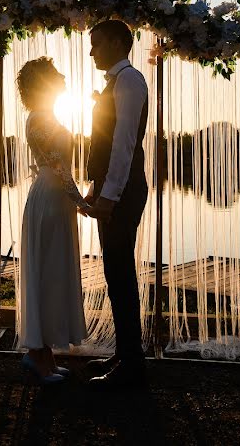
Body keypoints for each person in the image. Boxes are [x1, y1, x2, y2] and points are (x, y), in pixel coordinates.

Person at [82, 19, 149, 390]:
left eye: (97, 43)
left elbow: (124, 144)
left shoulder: (130, 80)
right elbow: (106, 143)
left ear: (118, 42)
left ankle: (133, 364)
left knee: (121, 276)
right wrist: (96, 188)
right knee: (114, 274)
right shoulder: (116, 81)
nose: (91, 51)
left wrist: (109, 196)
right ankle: (125, 353)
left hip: (122, 195)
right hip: (111, 191)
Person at [16, 56, 90, 385]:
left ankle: (43, 355)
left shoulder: (46, 116)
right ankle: (38, 356)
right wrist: (82, 202)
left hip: (56, 198)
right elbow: (59, 167)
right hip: (50, 198)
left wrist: (75, 201)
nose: (63, 75)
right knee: (47, 274)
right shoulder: (39, 119)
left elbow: (62, 167)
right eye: (55, 73)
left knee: (54, 274)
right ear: (43, 82)